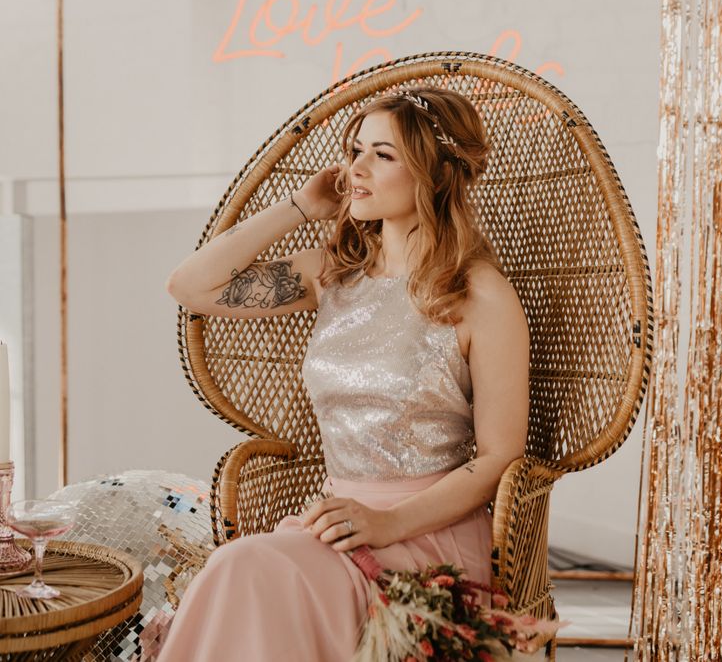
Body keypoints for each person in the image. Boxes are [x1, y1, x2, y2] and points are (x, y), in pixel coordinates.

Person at [156, 86, 530, 661]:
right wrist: (301, 207)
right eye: (354, 149)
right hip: (331, 523)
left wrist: (387, 523)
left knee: (243, 566)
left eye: (381, 155)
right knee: (244, 571)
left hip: (427, 532)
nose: (353, 168)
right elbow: (191, 286)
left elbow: (499, 457)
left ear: (434, 172)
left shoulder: (480, 294)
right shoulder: (336, 274)